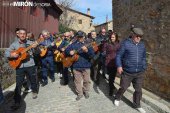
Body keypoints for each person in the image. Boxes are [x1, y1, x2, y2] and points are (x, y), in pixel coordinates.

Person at [114, 27, 147, 113]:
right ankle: (117, 97)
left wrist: (143, 66)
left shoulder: (142, 45)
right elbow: (118, 56)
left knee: (138, 90)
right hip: (127, 72)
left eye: (140, 36)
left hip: (139, 72)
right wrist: (119, 66)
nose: (139, 38)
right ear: (133, 35)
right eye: (137, 36)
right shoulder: (125, 44)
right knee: (124, 87)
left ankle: (137, 105)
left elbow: (143, 57)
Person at [5, 28, 38, 110]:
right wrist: (12, 55)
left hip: (30, 64)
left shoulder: (31, 43)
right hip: (19, 66)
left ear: (26, 35)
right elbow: (6, 52)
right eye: (21, 33)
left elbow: (38, 52)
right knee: (18, 84)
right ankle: (17, 101)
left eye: (24, 33)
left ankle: (34, 91)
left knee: (33, 79)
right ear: (18, 35)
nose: (22, 35)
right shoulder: (14, 44)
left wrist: (36, 48)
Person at [65, 31, 95, 100]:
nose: (80, 38)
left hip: (86, 65)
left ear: (84, 36)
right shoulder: (73, 44)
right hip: (76, 65)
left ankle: (86, 91)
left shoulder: (88, 44)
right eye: (78, 37)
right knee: (77, 81)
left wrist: (87, 51)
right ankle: (80, 93)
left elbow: (92, 55)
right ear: (76, 37)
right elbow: (66, 50)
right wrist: (69, 52)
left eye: (81, 37)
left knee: (87, 80)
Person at [103, 32, 120, 96]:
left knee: (113, 76)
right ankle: (111, 90)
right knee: (111, 77)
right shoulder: (107, 44)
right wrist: (106, 55)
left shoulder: (118, 44)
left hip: (116, 62)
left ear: (116, 38)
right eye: (111, 37)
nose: (112, 38)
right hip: (109, 62)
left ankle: (111, 85)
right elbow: (103, 51)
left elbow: (120, 52)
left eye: (113, 37)